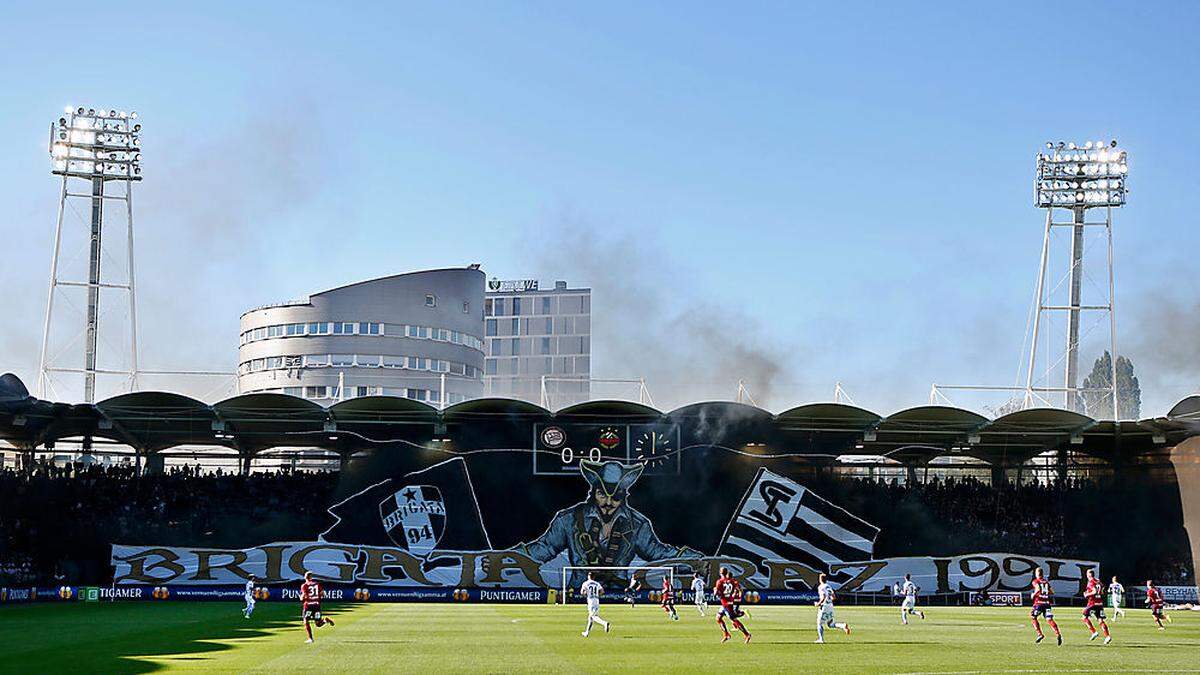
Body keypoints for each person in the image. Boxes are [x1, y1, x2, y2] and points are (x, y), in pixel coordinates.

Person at [713, 567, 751, 644]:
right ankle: (726, 634)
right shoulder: (733, 581)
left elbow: (716, 594)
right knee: (718, 618)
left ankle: (747, 634)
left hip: (726, 604)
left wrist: (715, 590)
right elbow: (739, 589)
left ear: (720, 573)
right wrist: (735, 595)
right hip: (728, 602)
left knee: (733, 619)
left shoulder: (719, 582)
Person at [814, 573, 850, 644]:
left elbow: (823, 597)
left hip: (824, 607)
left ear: (820, 579)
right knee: (830, 624)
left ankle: (821, 639)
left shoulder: (821, 587)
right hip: (830, 606)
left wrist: (818, 604)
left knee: (819, 624)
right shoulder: (828, 586)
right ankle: (842, 626)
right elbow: (834, 597)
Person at [300, 571, 335, 643]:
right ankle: (325, 620)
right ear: (311, 577)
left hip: (308, 606)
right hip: (316, 605)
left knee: (306, 621)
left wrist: (301, 598)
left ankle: (310, 638)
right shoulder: (317, 584)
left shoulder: (304, 585)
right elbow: (323, 593)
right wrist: (317, 598)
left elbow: (303, 596)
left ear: (305, 577)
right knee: (318, 624)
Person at [1030, 567, 1062, 645]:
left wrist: (1033, 595)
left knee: (1033, 617)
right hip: (1047, 604)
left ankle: (1039, 634)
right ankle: (1057, 633)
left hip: (1039, 603)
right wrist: (1046, 594)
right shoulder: (1046, 582)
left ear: (1037, 574)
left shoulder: (1035, 581)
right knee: (1049, 619)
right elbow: (1052, 592)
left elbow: (1037, 589)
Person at [1081, 569, 1112, 644]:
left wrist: (1087, 594)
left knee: (1084, 617)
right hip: (1099, 603)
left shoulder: (1090, 582)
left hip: (1092, 603)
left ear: (1088, 575)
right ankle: (1107, 636)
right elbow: (1103, 589)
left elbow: (1094, 591)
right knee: (1100, 620)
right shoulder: (1098, 581)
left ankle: (1094, 632)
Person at [580, 572, 611, 637]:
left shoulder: (585, 583)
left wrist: (587, 594)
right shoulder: (597, 583)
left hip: (591, 601)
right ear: (594, 577)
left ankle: (604, 623)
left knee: (594, 616)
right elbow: (602, 591)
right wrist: (597, 595)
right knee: (590, 617)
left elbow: (582, 592)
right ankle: (586, 633)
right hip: (596, 600)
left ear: (589, 576)